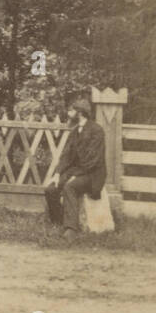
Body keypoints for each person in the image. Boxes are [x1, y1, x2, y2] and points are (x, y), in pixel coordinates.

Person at [44, 98, 107, 238]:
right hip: (76, 171)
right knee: (50, 189)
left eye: (71, 110)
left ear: (79, 113)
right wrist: (57, 173)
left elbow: (93, 160)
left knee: (69, 187)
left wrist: (76, 175)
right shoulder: (74, 132)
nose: (68, 113)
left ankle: (71, 229)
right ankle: (58, 222)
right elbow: (66, 156)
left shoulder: (97, 131)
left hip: (92, 174)